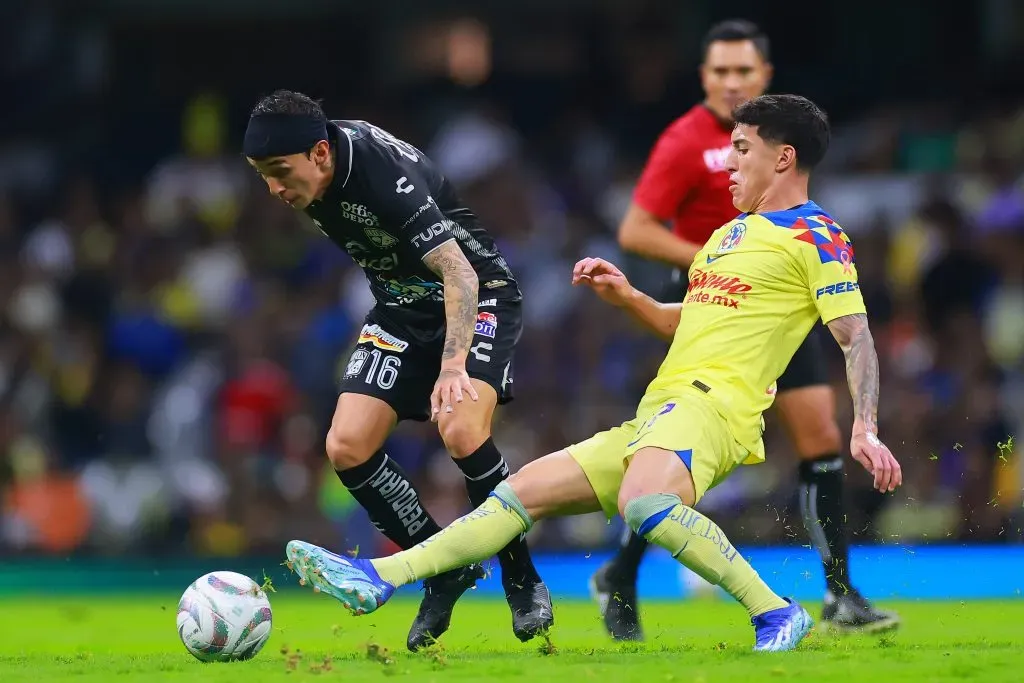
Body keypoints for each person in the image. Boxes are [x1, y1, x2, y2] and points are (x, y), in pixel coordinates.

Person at [282, 94, 903, 652]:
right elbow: (686, 322)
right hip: (660, 409)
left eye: (740, 150)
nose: (729, 164)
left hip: (715, 408)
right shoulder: (730, 235)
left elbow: (856, 334)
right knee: (517, 494)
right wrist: (629, 296)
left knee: (645, 501)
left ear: (785, 157)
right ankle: (376, 577)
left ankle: (774, 612)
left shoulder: (818, 236)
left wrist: (865, 427)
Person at [607, 19, 898, 639]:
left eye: (743, 71)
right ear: (703, 77)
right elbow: (635, 231)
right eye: (719, 71)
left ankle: (841, 595)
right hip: (715, 309)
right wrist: (720, 259)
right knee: (675, 450)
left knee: (819, 432)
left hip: (783, 303)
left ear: (763, 76)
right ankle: (623, 573)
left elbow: (855, 333)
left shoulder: (776, 133)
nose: (731, 80)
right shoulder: (684, 141)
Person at [242, 90, 552, 650]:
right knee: (346, 446)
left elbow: (459, 273)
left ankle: (522, 575)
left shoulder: (379, 175)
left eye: (278, 172)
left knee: (460, 428)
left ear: (319, 153)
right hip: (402, 309)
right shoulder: (312, 162)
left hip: (478, 296)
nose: (273, 189)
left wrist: (452, 364)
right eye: (261, 174)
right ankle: (443, 567)